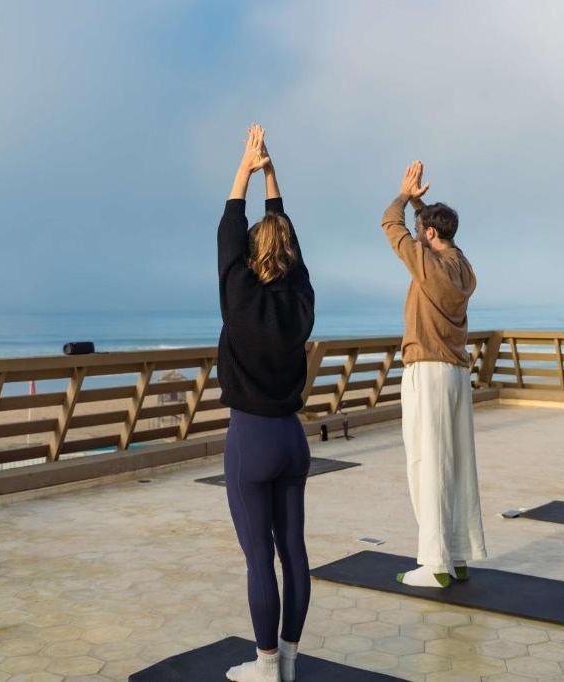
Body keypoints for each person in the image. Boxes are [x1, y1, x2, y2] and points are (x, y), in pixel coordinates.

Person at [218, 124, 315, 682]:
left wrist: (245, 170)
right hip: (292, 440)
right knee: (294, 553)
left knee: (260, 557)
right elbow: (290, 247)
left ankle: (265, 666)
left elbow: (228, 235)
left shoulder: (239, 297)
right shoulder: (300, 298)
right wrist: (271, 176)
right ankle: (292, 662)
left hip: (251, 439)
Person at [382, 160, 486, 587]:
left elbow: (391, 224)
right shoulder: (462, 266)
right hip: (458, 375)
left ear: (428, 235)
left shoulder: (427, 266)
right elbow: (434, 236)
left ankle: (435, 562)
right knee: (456, 465)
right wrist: (425, 206)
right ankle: (458, 554)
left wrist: (405, 196)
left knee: (426, 462)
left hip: (427, 372)